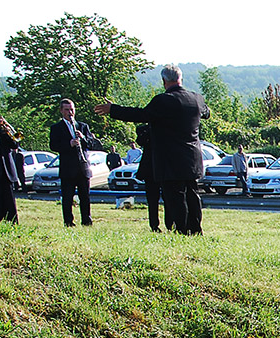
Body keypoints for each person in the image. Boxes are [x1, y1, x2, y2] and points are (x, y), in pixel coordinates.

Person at [95, 64, 211, 235]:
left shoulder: (163, 101)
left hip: (170, 158)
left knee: (175, 196)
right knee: (192, 193)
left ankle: (182, 229)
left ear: (164, 81)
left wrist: (114, 109)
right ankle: (196, 229)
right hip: (192, 156)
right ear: (181, 78)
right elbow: (206, 113)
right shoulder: (196, 99)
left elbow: (140, 115)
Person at [49, 98, 104, 227]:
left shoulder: (83, 126)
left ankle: (87, 221)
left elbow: (91, 144)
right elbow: (53, 146)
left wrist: (83, 138)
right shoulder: (56, 128)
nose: (70, 112)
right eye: (67, 110)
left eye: (72, 109)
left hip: (83, 167)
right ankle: (69, 221)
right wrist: (69, 144)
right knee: (67, 197)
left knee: (85, 196)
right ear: (61, 111)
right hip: (68, 168)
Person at [134, 124, 163, 233]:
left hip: (165, 166)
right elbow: (140, 141)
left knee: (169, 197)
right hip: (150, 168)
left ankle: (171, 223)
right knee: (152, 199)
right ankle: (154, 225)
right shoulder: (144, 129)